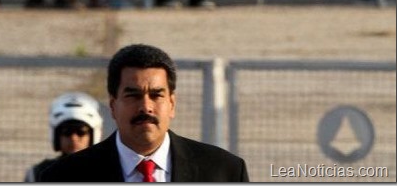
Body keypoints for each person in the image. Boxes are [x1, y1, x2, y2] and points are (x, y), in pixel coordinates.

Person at [39, 44, 249, 182]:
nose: (146, 107)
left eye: (156, 95)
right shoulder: (64, 176)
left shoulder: (224, 171)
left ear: (172, 104)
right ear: (113, 105)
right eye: (133, 95)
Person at [24, 92, 104, 181]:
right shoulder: (38, 174)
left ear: (93, 135)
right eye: (67, 132)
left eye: (81, 132)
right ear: (57, 135)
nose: (74, 138)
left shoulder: (110, 172)